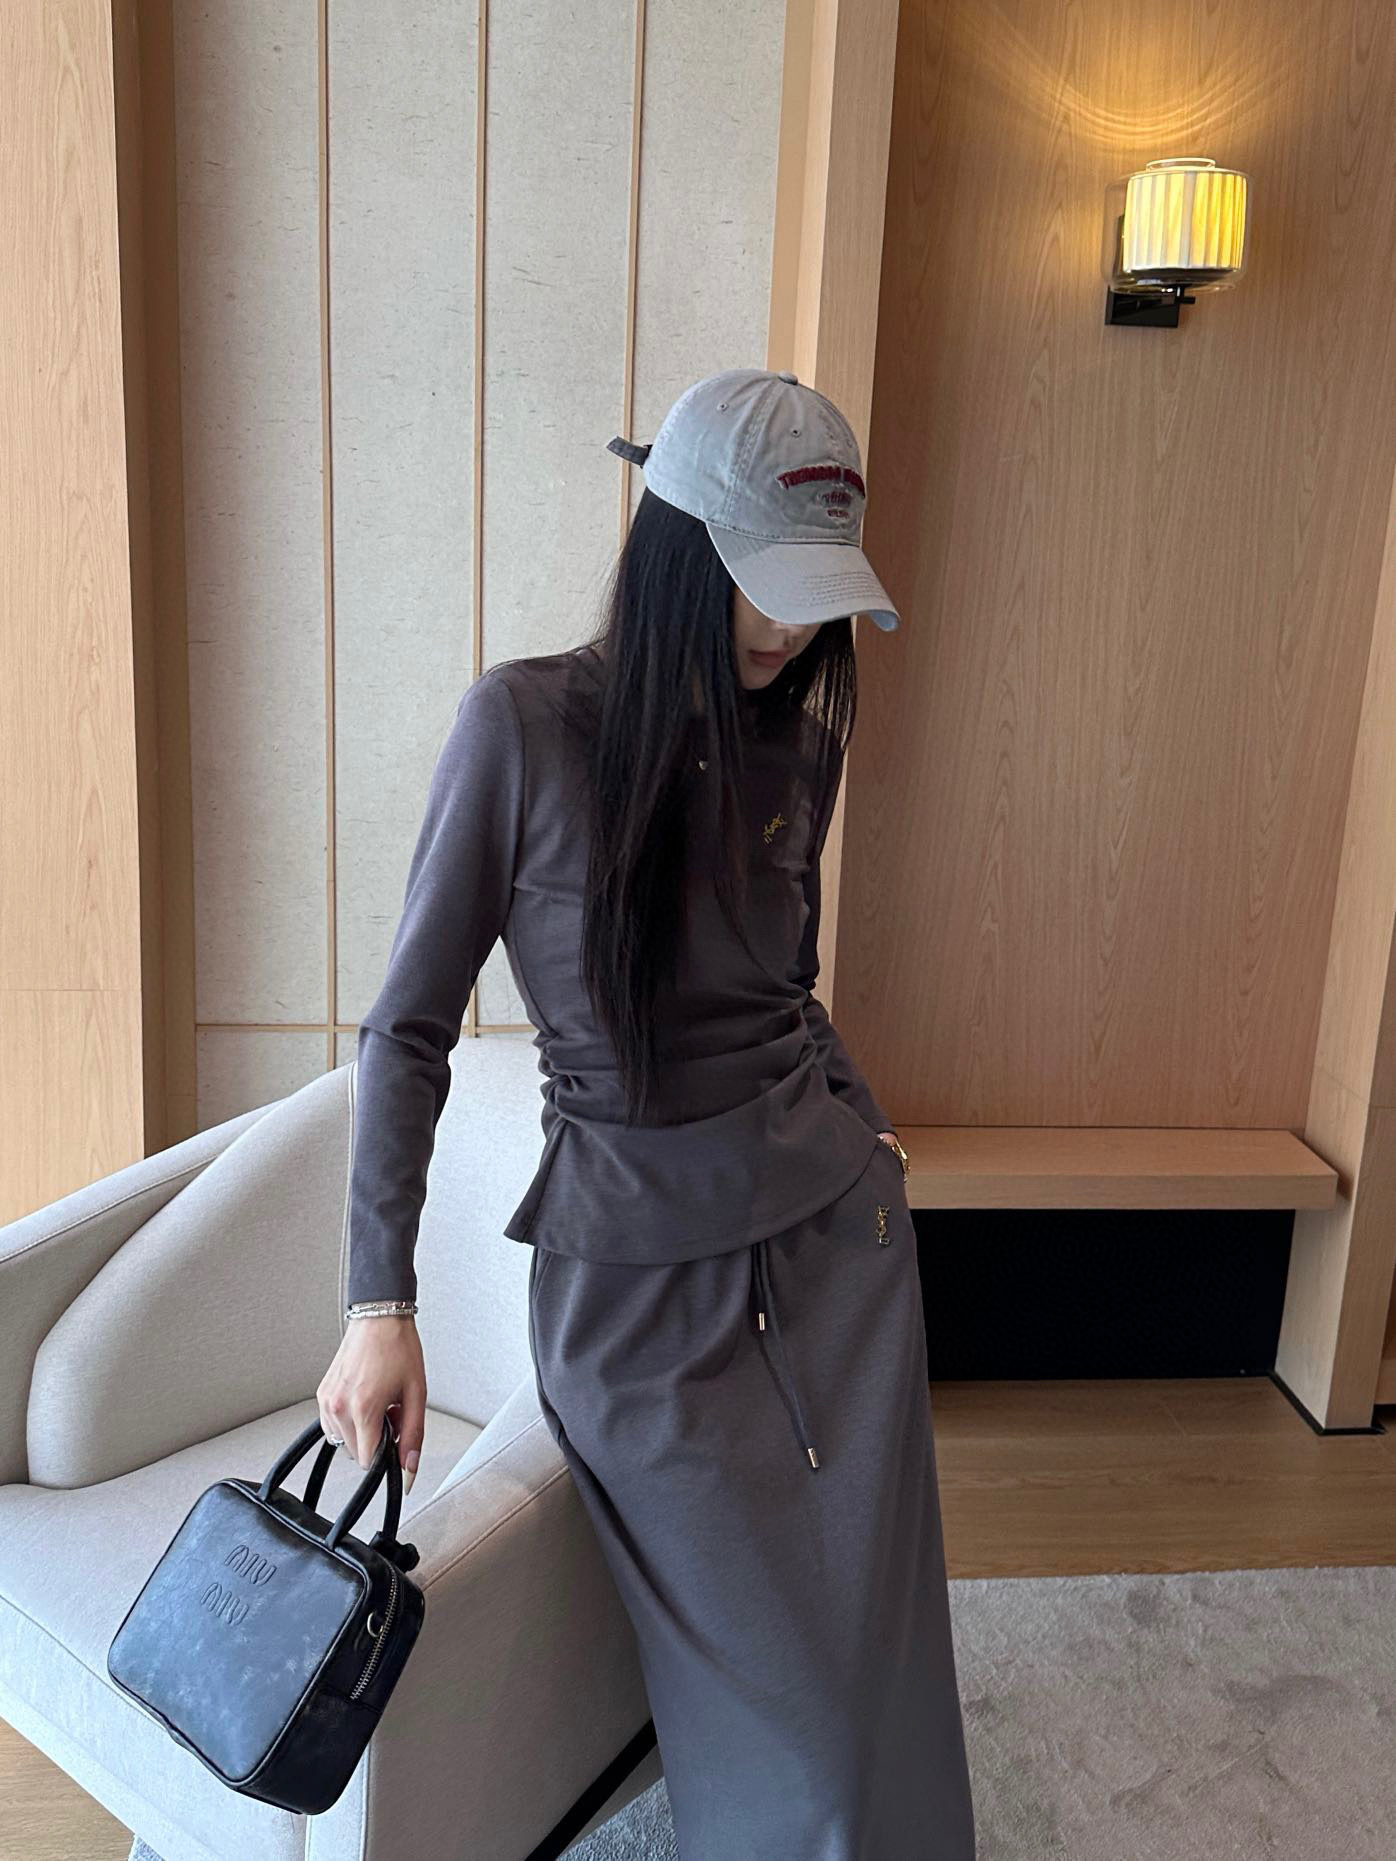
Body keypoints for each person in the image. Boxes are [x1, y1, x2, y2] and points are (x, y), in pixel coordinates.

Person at [317, 367, 978, 1856]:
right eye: (766, 588)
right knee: (792, 1713)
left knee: (880, 1653)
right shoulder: (521, 727)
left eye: (818, 598)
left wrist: (870, 1133)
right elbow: (406, 1030)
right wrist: (378, 1301)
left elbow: (789, 997)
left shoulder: (798, 745)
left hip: (839, 1250)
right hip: (636, 1290)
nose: (791, 634)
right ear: (679, 544)